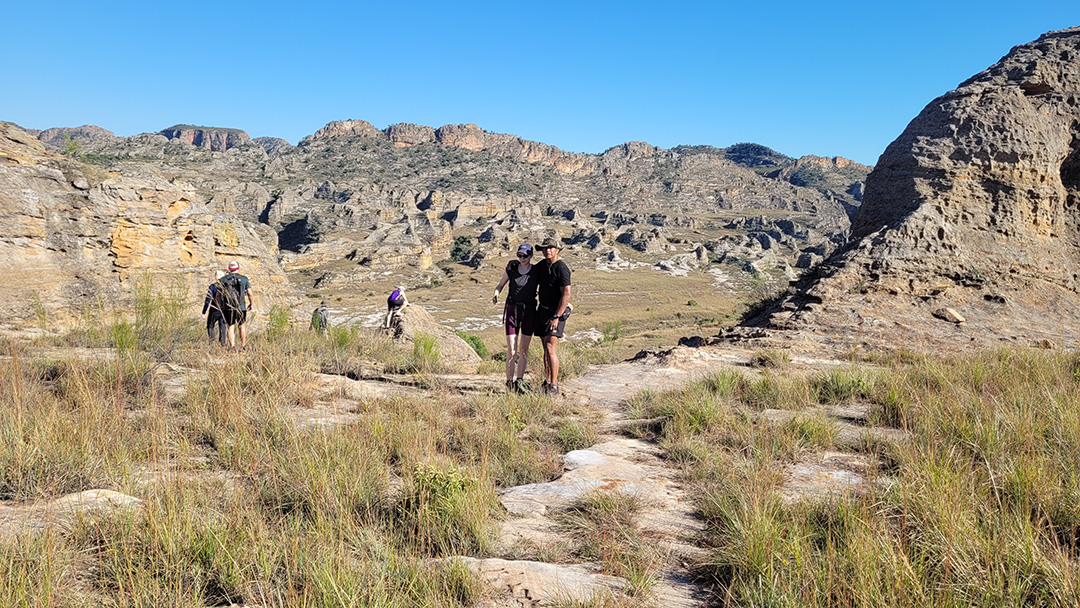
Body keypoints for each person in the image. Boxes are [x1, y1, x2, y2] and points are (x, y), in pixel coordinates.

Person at [492, 243, 539, 393]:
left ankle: (520, 381)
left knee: (524, 349)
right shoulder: (511, 268)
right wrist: (496, 294)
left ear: (531, 256)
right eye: (519, 255)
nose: (522, 258)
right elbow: (500, 285)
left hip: (529, 311)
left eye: (525, 256)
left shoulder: (536, 271)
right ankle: (509, 382)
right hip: (512, 310)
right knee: (511, 350)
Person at [533, 237, 572, 396]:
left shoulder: (562, 268)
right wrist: (513, 264)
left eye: (550, 248)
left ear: (557, 250)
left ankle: (554, 386)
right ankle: (547, 382)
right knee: (545, 348)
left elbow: (567, 293)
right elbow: (528, 270)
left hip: (555, 312)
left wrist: (557, 316)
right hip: (542, 310)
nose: (547, 250)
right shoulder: (543, 265)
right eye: (544, 248)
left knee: (550, 348)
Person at [220, 260, 255, 351]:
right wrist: (251, 304)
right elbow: (250, 293)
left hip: (228, 307)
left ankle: (232, 347)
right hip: (241, 307)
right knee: (242, 326)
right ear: (238, 268)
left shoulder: (223, 279)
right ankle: (243, 346)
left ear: (229, 268)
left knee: (230, 327)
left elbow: (218, 294)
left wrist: (220, 304)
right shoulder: (244, 279)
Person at [201, 270, 227, 346]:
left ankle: (212, 344)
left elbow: (208, 299)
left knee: (210, 326)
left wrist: (204, 311)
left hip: (214, 310)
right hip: (224, 311)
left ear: (216, 278)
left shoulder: (212, 286)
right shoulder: (227, 287)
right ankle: (223, 345)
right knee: (223, 327)